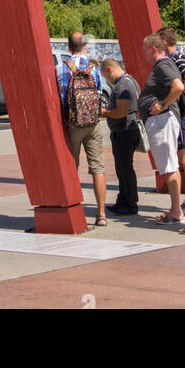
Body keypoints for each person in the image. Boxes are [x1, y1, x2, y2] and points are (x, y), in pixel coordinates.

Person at [56, 33, 107, 225]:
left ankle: (74, 209)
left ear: (69, 47)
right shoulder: (93, 68)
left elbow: (60, 97)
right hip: (93, 124)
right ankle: (101, 214)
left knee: (72, 166)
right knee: (98, 167)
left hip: (73, 124)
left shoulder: (61, 68)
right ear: (85, 46)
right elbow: (100, 93)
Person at [139, 32, 184, 224]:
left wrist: (162, 105)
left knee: (169, 165)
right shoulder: (162, 65)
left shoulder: (163, 65)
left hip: (163, 120)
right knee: (167, 165)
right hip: (161, 120)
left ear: (154, 49)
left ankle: (176, 212)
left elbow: (179, 86)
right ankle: (175, 209)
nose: (143, 54)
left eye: (145, 49)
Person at [158, 26, 185, 215]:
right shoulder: (177, 57)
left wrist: (182, 95)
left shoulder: (176, 58)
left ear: (165, 42)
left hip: (183, 114)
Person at [101, 57, 141, 215]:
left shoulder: (123, 85)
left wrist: (105, 112)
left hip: (124, 131)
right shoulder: (130, 81)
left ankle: (130, 203)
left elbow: (121, 112)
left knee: (125, 169)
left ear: (109, 69)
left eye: (105, 75)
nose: (106, 79)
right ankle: (123, 199)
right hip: (126, 130)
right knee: (122, 168)